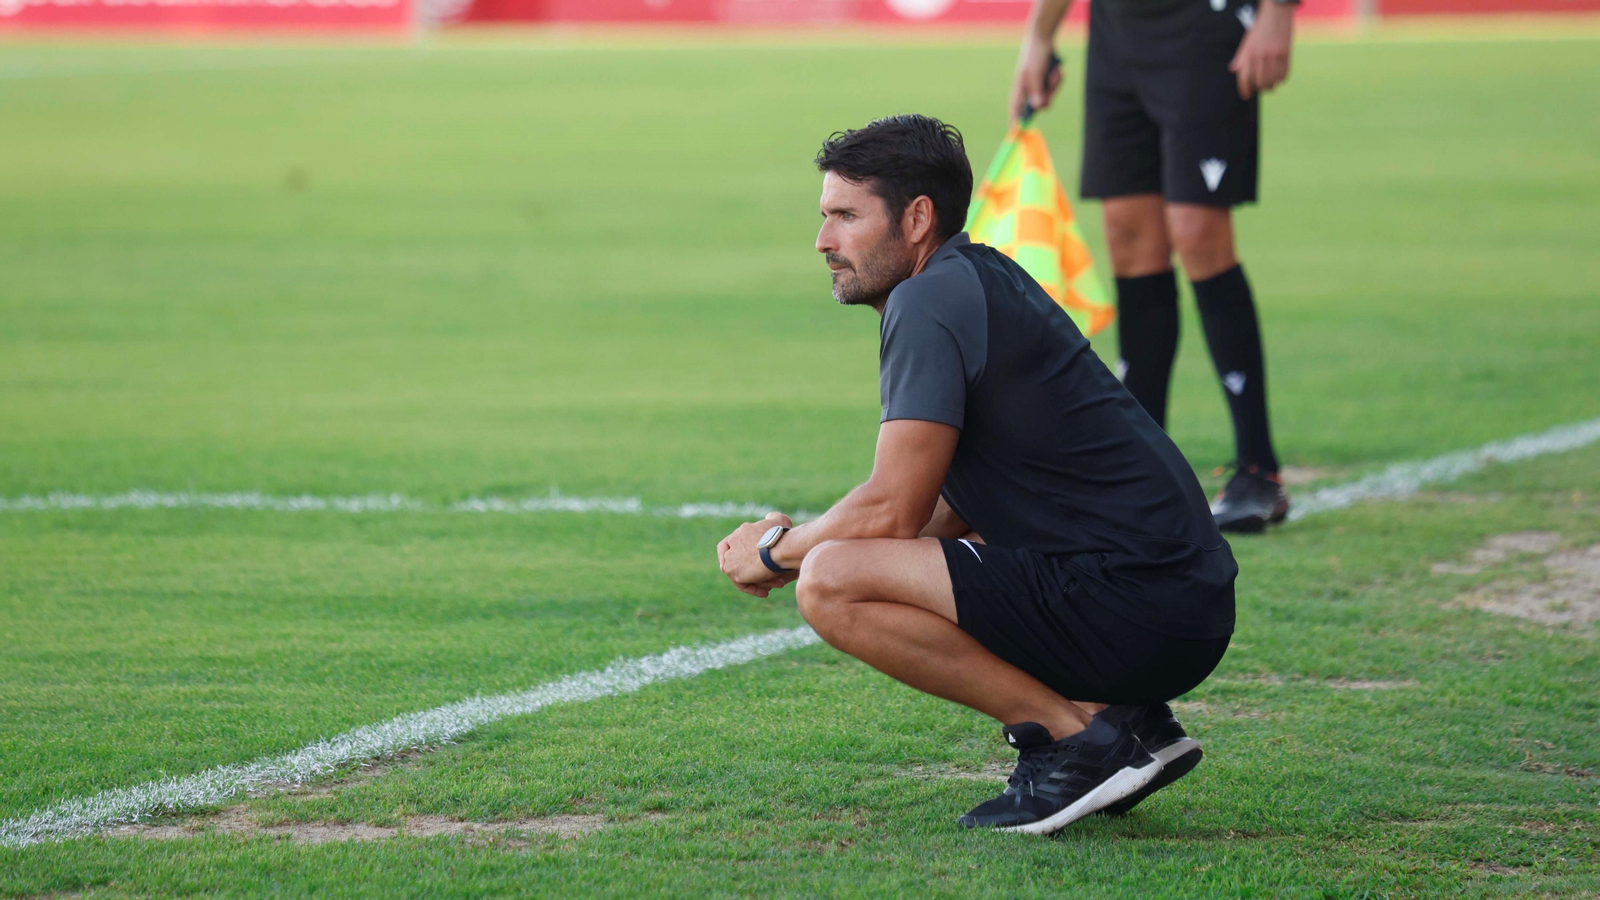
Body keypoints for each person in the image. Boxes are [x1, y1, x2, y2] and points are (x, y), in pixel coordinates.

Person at [716, 115, 1236, 835]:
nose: (823, 241)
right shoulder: (977, 274)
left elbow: (892, 511)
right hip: (1177, 604)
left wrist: (778, 551)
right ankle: (1125, 718)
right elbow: (944, 515)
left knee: (831, 582)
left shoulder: (926, 302)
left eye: (845, 216)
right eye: (824, 217)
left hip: (1141, 607)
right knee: (853, 558)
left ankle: (1073, 738)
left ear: (918, 217)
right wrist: (811, 546)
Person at [1011, 0, 1296, 532]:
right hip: (1117, 34)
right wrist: (1039, 34)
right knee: (1128, 233)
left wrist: (1278, 11)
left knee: (1197, 231)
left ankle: (1259, 469)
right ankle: (1139, 474)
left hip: (1204, 27)